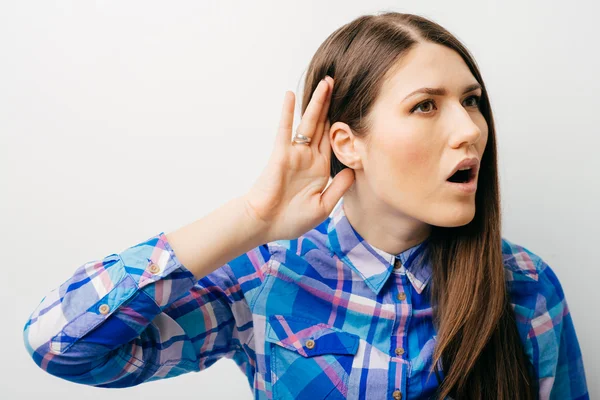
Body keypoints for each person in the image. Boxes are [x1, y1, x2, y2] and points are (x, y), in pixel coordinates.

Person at [22, 11, 588, 400]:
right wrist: (252, 219)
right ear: (348, 143)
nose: (470, 129)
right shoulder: (267, 276)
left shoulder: (527, 286)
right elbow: (60, 344)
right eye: (425, 107)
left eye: (472, 102)